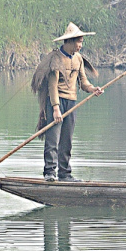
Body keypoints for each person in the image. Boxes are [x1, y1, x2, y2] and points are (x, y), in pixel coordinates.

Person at [31, 23, 104, 182]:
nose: (80, 46)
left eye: (82, 42)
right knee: (53, 139)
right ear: (70, 41)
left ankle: (65, 173)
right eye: (79, 42)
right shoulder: (56, 58)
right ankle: (50, 172)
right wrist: (56, 109)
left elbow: (83, 82)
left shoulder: (78, 59)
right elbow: (52, 85)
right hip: (56, 102)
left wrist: (93, 89)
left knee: (67, 139)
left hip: (72, 102)